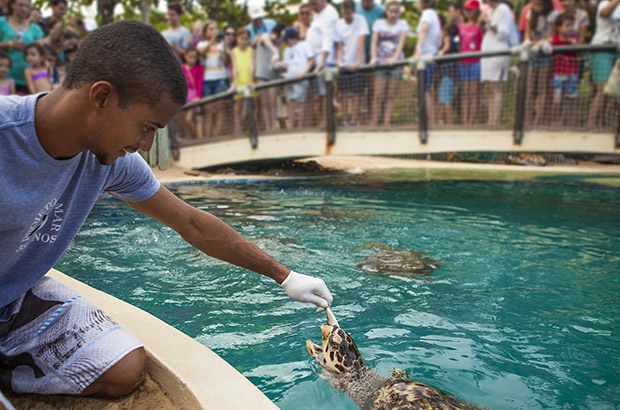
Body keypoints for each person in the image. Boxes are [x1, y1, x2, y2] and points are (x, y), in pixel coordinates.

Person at [0, 20, 332, 401]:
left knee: (122, 369)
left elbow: (192, 223)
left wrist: (284, 276)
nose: (146, 144)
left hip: (15, 300)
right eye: (147, 126)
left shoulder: (109, 161)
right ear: (102, 97)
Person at [524, 0, 559, 125]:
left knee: (542, 87)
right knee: (530, 87)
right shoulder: (530, 13)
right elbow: (527, 34)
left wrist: (540, 42)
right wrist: (529, 42)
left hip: (545, 52)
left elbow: (553, 35)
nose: (537, 7)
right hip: (533, 52)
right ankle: (528, 117)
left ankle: (538, 118)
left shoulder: (553, 14)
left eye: (539, 4)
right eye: (534, 4)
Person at [479, 0, 514, 125]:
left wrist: (490, 23)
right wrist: (483, 22)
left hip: (498, 51)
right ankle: (490, 119)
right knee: (490, 87)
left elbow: (503, 34)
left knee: (496, 86)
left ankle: (496, 120)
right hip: (488, 53)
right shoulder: (492, 11)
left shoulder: (503, 8)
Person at [335, 0, 369, 127]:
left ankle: (355, 119)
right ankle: (344, 120)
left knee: (357, 92)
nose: (346, 15)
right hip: (344, 63)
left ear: (353, 11)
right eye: (344, 13)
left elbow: (362, 41)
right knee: (343, 93)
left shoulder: (360, 20)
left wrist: (358, 61)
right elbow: (339, 45)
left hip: (357, 64)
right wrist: (339, 61)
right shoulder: (338, 24)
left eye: (348, 12)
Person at [586, 0, 619, 128]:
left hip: (616, 49)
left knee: (616, 91)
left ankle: (611, 126)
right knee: (602, 88)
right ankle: (591, 125)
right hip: (601, 48)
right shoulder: (604, 3)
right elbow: (604, 13)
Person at [0, 0, 44, 94]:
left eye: (26, 6)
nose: (23, 9)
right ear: (12, 5)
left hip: (28, 80)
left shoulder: (36, 29)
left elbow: (42, 52)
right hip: (5, 79)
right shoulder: (2, 23)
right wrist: (10, 44)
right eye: (20, 5)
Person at [306, 0, 338, 128]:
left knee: (325, 92)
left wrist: (322, 60)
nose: (312, 7)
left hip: (324, 60)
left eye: (314, 4)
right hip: (315, 59)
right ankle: (321, 121)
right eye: (310, 4)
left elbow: (327, 38)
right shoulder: (318, 13)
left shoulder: (329, 14)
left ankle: (327, 121)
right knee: (318, 94)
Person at [197, 20, 230, 137]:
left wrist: (225, 47)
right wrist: (212, 40)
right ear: (206, 31)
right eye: (211, 29)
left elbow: (227, 62)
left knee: (220, 109)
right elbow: (200, 53)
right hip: (207, 80)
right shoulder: (202, 44)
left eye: (215, 28)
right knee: (208, 110)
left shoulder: (222, 44)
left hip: (220, 78)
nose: (214, 31)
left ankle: (218, 136)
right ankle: (206, 137)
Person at [413, 0, 441, 126]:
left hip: (426, 58)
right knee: (424, 89)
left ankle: (431, 122)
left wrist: (418, 49)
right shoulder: (433, 15)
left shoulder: (428, 13)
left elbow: (424, 29)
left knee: (425, 90)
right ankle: (429, 120)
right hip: (429, 56)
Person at [281, 26, 314, 129]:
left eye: (289, 39)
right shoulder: (286, 50)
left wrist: (305, 72)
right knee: (290, 101)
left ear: (294, 37)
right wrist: (281, 66)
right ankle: (291, 125)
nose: (288, 42)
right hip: (289, 78)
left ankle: (300, 126)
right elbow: (286, 64)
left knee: (300, 102)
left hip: (301, 78)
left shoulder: (303, 45)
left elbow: (311, 59)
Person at [550, 12, 578, 125]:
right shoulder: (555, 39)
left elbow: (580, 50)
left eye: (572, 25)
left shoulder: (574, 39)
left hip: (571, 74)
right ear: (559, 27)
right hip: (558, 74)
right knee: (557, 100)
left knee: (568, 99)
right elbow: (542, 42)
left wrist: (574, 43)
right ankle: (554, 120)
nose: (570, 28)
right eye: (567, 25)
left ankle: (565, 121)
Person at [459, 0, 483, 125]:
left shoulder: (479, 25)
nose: (468, 12)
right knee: (465, 92)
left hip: (476, 62)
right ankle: (465, 120)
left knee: (474, 92)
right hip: (463, 62)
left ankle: (472, 120)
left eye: (470, 9)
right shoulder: (461, 26)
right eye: (466, 9)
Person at [231, 28, 255, 134]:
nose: (243, 41)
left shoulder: (251, 50)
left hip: (248, 81)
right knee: (238, 110)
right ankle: (238, 133)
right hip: (239, 81)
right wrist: (235, 81)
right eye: (241, 38)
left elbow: (252, 65)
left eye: (246, 38)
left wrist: (250, 79)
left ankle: (250, 131)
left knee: (251, 109)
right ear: (237, 39)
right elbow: (234, 67)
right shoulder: (234, 51)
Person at [437, 22, 460, 125]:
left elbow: (446, 46)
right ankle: (444, 121)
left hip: (447, 75)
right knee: (446, 98)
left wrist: (440, 53)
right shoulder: (456, 43)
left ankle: (448, 123)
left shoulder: (447, 38)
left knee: (445, 99)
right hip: (453, 75)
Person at [181, 46, 203, 139]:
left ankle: (197, 137)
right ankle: (189, 137)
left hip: (193, 95)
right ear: (185, 57)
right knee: (183, 119)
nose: (192, 59)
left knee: (188, 119)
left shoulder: (199, 68)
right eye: (190, 57)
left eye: (194, 57)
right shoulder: (182, 69)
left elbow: (199, 82)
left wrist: (198, 95)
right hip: (185, 96)